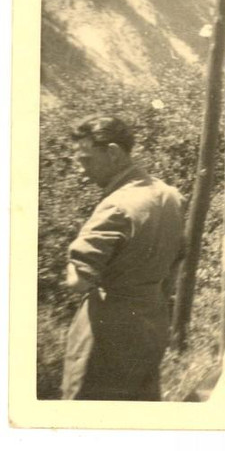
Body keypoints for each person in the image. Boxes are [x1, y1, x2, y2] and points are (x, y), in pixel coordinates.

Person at [61, 115, 186, 401]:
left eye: (87, 160)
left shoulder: (115, 207)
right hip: (151, 327)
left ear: (114, 153)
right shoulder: (170, 196)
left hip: (106, 334)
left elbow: (78, 281)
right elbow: (175, 269)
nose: (82, 171)